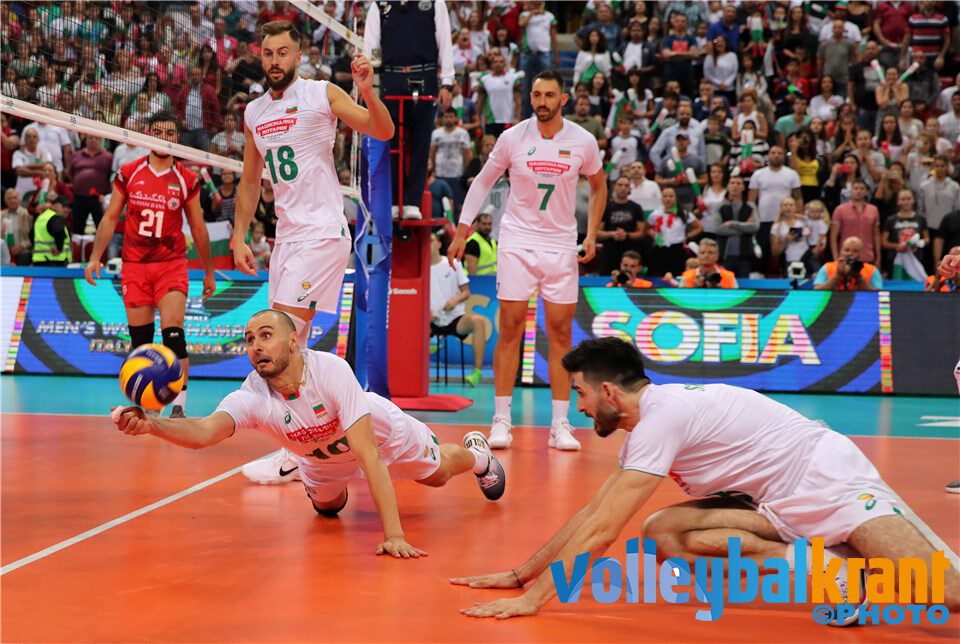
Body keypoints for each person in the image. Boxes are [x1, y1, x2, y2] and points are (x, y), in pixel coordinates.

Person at [452, 337, 960, 621]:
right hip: (776, 503)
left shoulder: (663, 418)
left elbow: (603, 532)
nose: (578, 407)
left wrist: (532, 601)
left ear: (608, 392)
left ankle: (862, 561)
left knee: (941, 591)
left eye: (580, 394)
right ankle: (836, 570)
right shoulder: (646, 430)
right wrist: (521, 574)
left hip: (830, 481)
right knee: (665, 532)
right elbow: (592, 514)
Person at [111, 309, 506, 557]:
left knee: (437, 477)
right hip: (320, 460)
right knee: (329, 509)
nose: (256, 346)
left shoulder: (330, 371)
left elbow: (368, 455)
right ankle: (306, 472)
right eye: (250, 340)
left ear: (293, 341)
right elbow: (203, 432)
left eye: (266, 335)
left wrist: (394, 535)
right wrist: (152, 425)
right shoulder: (252, 396)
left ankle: (479, 457)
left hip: (384, 435)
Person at [232, 21, 394, 484]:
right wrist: (241, 235)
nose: (275, 61)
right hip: (286, 239)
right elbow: (250, 179)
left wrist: (367, 92)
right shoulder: (255, 112)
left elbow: (381, 130)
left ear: (298, 56)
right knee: (292, 345)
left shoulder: (321, 93)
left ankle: (294, 452)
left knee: (276, 338)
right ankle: (327, 440)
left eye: (283, 52)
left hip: (322, 233)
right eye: (268, 53)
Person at [447, 70, 606, 452]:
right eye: (536, 95)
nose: (542, 102)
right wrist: (462, 230)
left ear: (563, 99)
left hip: (560, 243)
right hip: (517, 241)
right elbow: (482, 181)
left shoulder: (583, 141)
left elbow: (599, 186)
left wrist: (591, 234)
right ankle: (501, 420)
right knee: (511, 328)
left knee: (561, 334)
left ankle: (560, 424)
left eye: (549, 95)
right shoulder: (513, 137)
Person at [84, 112, 216, 419]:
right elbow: (110, 217)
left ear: (177, 138)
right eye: (158, 132)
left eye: (170, 133)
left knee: (173, 335)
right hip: (135, 266)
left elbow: (198, 227)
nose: (164, 138)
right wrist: (95, 256)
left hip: (171, 264)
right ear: (147, 134)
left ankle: (179, 404)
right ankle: (150, 404)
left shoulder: (186, 178)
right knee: (140, 341)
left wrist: (209, 271)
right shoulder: (129, 172)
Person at [367, 0, 455, 220]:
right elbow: (370, 48)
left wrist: (447, 83)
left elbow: (445, 42)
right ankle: (393, 200)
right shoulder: (380, 5)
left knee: (420, 142)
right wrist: (370, 85)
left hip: (425, 76)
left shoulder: (434, 4)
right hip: (391, 77)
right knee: (391, 141)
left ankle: (412, 201)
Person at [430, 233, 488, 388]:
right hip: (429, 321)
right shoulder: (419, 268)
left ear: (439, 245)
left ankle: (477, 372)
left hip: (454, 318)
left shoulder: (453, 263)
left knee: (478, 322)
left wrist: (454, 301)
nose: (428, 244)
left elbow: (466, 292)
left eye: (431, 240)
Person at [597, 176, 645, 276]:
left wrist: (626, 235)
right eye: (620, 185)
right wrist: (612, 234)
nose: (623, 188)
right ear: (614, 186)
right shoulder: (605, 207)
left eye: (626, 185)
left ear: (630, 188)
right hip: (609, 251)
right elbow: (597, 232)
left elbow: (641, 233)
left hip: (629, 252)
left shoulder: (636, 208)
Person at [430, 108, 472, 217]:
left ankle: (455, 224)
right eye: (446, 116)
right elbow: (432, 153)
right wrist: (432, 170)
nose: (449, 119)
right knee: (440, 204)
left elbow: (467, 153)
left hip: (457, 174)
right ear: (442, 118)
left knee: (456, 204)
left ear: (456, 118)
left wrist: (467, 172)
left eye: (451, 117)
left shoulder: (462, 133)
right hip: (440, 173)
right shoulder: (436, 133)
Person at [813, 236, 883, 291]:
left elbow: (879, 294)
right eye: (846, 250)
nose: (850, 254)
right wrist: (837, 275)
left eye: (855, 251)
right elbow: (817, 291)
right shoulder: (827, 267)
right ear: (841, 251)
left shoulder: (872, 270)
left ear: (860, 254)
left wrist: (858, 277)